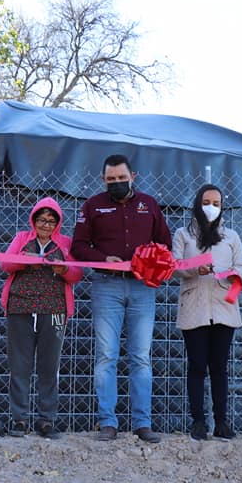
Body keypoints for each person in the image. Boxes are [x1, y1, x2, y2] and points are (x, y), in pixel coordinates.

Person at [71, 154, 172, 443]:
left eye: (121, 178)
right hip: (106, 286)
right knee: (106, 356)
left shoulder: (149, 204)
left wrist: (151, 262)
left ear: (133, 176)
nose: (116, 183)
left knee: (140, 357)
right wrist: (104, 259)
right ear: (103, 180)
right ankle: (108, 423)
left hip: (142, 289)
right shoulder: (92, 206)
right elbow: (79, 246)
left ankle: (142, 424)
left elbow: (164, 243)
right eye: (111, 179)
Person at [0, 197, 83, 439]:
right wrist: (24, 262)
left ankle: (46, 420)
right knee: (20, 365)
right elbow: (5, 264)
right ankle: (19, 419)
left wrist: (64, 269)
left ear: (58, 222)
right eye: (41, 219)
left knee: (49, 366)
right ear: (33, 220)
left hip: (55, 310)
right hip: (20, 307)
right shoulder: (22, 238)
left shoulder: (65, 244)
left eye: (51, 220)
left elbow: (78, 274)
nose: (46, 224)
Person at [172, 184, 242, 441]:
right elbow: (176, 265)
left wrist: (235, 276)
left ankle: (221, 421)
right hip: (194, 306)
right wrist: (196, 269)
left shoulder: (232, 236)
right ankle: (198, 421)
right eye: (207, 201)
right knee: (196, 365)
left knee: (219, 367)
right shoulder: (183, 234)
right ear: (197, 203)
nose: (211, 207)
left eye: (216, 203)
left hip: (224, 307)